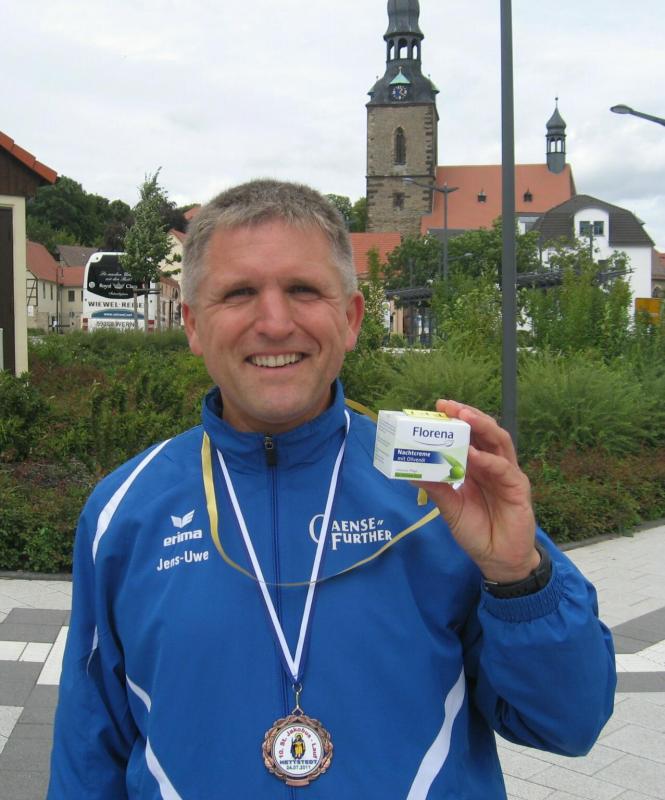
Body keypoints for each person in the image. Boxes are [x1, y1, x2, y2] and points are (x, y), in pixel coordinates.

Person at [48, 179, 616, 799]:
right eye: (238, 293)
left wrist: (520, 579)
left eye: (303, 290)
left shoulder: (439, 495)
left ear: (350, 318)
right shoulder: (123, 513)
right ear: (192, 324)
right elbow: (87, 761)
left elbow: (569, 724)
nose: (274, 322)